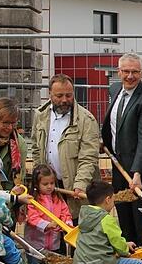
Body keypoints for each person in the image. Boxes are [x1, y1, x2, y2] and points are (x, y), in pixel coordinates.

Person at [101, 53, 142, 246]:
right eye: (126, 71)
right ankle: (130, 260)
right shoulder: (114, 90)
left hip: (140, 172)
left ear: (141, 73)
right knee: (124, 217)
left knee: (141, 222)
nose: (130, 76)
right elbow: (115, 126)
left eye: (135, 72)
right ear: (118, 72)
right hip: (119, 166)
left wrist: (137, 172)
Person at [31, 74, 101, 219]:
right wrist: (39, 177)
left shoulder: (86, 120)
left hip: (74, 186)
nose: (64, 100)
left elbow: (89, 157)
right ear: (49, 93)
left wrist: (80, 184)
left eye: (69, 95)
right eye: (59, 95)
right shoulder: (40, 115)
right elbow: (36, 147)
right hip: (50, 185)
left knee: (75, 227)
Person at [73, 180, 142, 264]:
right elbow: (119, 245)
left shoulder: (84, 216)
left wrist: (125, 244)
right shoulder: (106, 219)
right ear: (107, 200)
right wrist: (126, 250)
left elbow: (98, 239)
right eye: (112, 199)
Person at [24, 165, 73, 264]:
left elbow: (65, 213)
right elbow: (32, 217)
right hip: (35, 244)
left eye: (52, 183)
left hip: (53, 244)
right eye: (45, 184)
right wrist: (47, 225)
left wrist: (67, 224)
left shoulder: (58, 199)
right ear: (37, 184)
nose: (49, 186)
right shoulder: (32, 200)